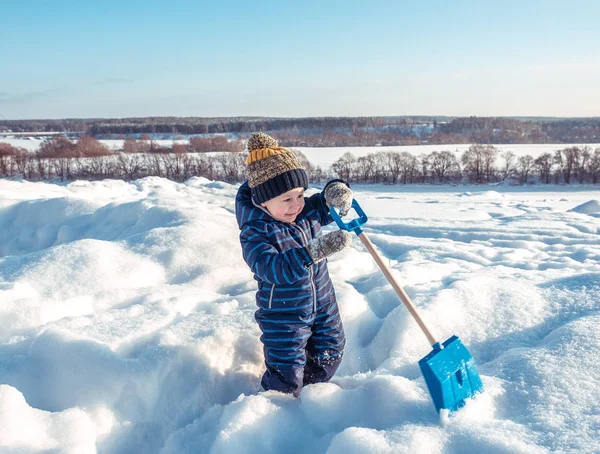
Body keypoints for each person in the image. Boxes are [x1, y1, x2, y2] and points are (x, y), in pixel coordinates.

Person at [235, 132, 353, 396]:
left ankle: (312, 395)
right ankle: (280, 411)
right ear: (263, 200)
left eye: (300, 195)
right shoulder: (256, 231)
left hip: (323, 302)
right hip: (284, 314)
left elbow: (324, 204)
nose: (296, 205)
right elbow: (271, 268)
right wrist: (312, 252)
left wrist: (336, 191)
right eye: (287, 199)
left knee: (330, 353)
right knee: (285, 374)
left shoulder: (304, 210)